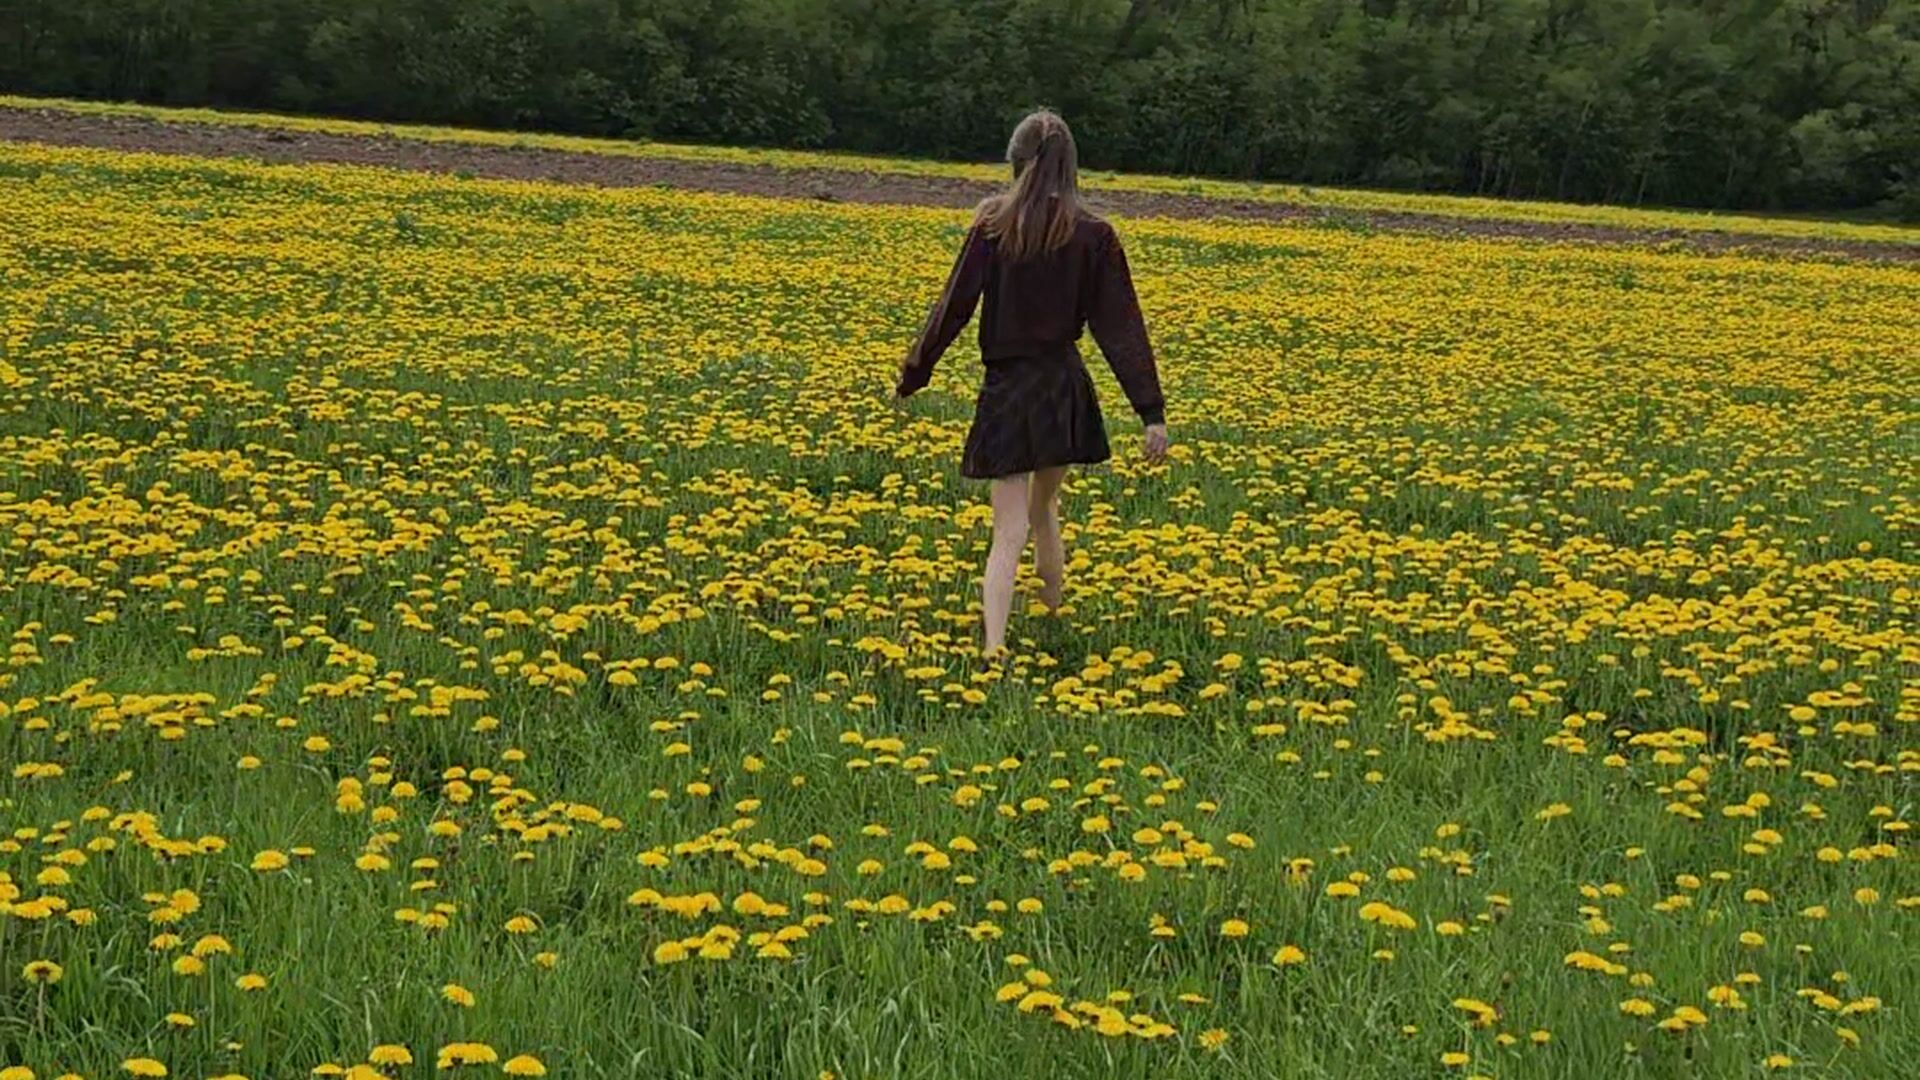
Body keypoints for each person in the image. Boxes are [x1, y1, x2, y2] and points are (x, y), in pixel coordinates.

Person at [894, 108, 1169, 660]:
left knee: (1009, 529)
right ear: (1071, 168)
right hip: (1064, 387)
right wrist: (1151, 412)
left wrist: (913, 375)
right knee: (1045, 509)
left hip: (1009, 390)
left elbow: (953, 309)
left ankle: (994, 645)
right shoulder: (1094, 235)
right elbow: (1121, 326)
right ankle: (1050, 614)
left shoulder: (993, 226)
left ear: (1016, 161)